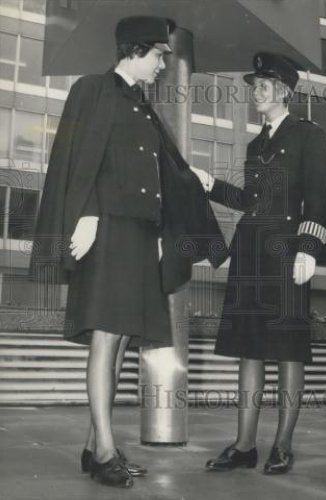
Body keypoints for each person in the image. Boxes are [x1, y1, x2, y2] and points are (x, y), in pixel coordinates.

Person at [29, 16, 225, 488]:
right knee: (105, 336)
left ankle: (94, 445)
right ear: (136, 50)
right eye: (159, 55)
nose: (163, 65)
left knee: (118, 344)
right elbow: (75, 157)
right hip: (107, 232)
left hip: (138, 236)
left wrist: (174, 212)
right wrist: (88, 213)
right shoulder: (92, 89)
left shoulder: (139, 106)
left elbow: (160, 173)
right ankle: (105, 451)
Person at [191, 52, 326, 474]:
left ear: (285, 90)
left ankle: (283, 445)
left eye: (264, 84)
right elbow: (253, 203)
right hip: (251, 255)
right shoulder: (256, 144)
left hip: (288, 255)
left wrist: (309, 248)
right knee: (248, 351)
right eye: (255, 84)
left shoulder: (308, 135)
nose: (257, 90)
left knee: (288, 352)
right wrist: (212, 186)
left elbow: (319, 196)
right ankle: (245, 445)